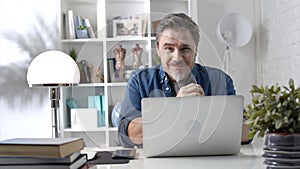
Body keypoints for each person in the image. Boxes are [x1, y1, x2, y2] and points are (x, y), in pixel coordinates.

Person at [117, 13, 250, 148]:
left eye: (185, 49)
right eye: (169, 48)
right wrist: (175, 108)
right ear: (157, 48)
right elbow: (127, 136)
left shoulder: (220, 80)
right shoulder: (139, 81)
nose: (177, 57)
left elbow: (246, 134)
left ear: (196, 50)